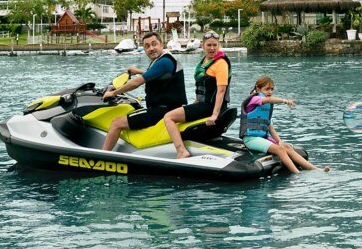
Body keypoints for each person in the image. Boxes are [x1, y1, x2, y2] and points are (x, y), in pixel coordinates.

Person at [101, 31, 187, 152]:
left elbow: (136, 83)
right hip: (168, 108)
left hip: (162, 111)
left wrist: (113, 93)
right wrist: (138, 71)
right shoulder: (164, 60)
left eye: (154, 44)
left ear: (162, 44)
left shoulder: (164, 62)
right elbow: (155, 74)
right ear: (144, 50)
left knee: (116, 123)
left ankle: (102, 156)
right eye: (147, 46)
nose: (151, 48)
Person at [162, 31, 231, 159]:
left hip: (210, 106)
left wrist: (214, 115)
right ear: (203, 45)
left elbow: (221, 91)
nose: (212, 48)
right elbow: (204, 88)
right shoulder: (205, 61)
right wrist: (195, 102)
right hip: (203, 104)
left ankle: (181, 151)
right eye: (209, 45)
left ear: (219, 45)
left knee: (168, 117)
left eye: (215, 45)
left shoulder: (221, 63)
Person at [238, 75, 328, 173]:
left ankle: (316, 169)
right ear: (258, 89)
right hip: (251, 139)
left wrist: (279, 141)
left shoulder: (267, 106)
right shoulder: (255, 99)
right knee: (279, 150)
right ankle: (297, 173)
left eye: (272, 89)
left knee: (286, 147)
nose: (270, 92)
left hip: (263, 138)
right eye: (267, 89)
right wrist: (284, 101)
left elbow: (270, 128)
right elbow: (268, 100)